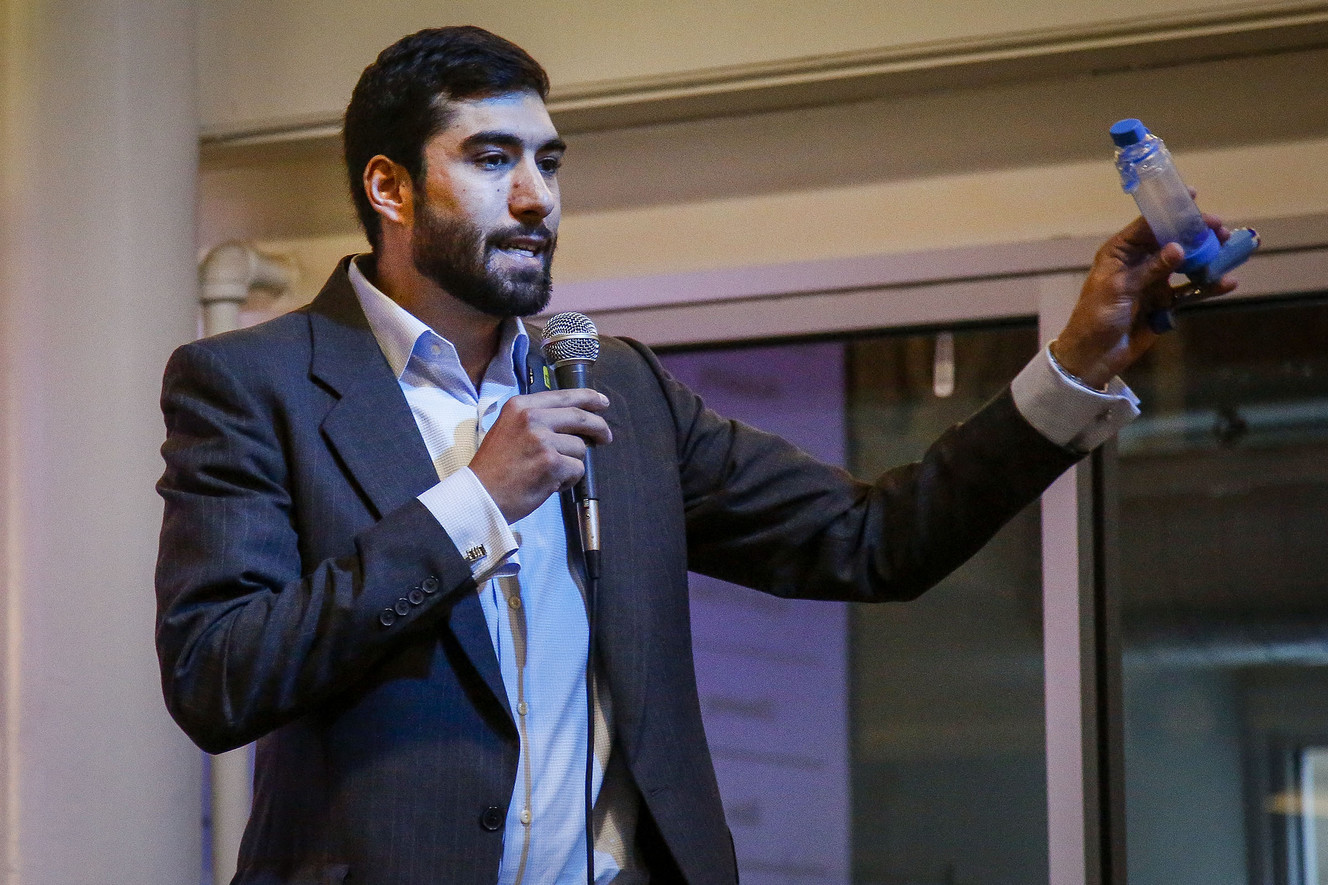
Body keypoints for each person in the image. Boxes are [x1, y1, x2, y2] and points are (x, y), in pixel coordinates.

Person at [154, 25, 1234, 885]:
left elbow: (873, 540)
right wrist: (473, 505)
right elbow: (217, 674)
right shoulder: (255, 384)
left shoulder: (613, 384)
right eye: (491, 159)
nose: (536, 197)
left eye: (547, 160)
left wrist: (1077, 359)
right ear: (390, 190)